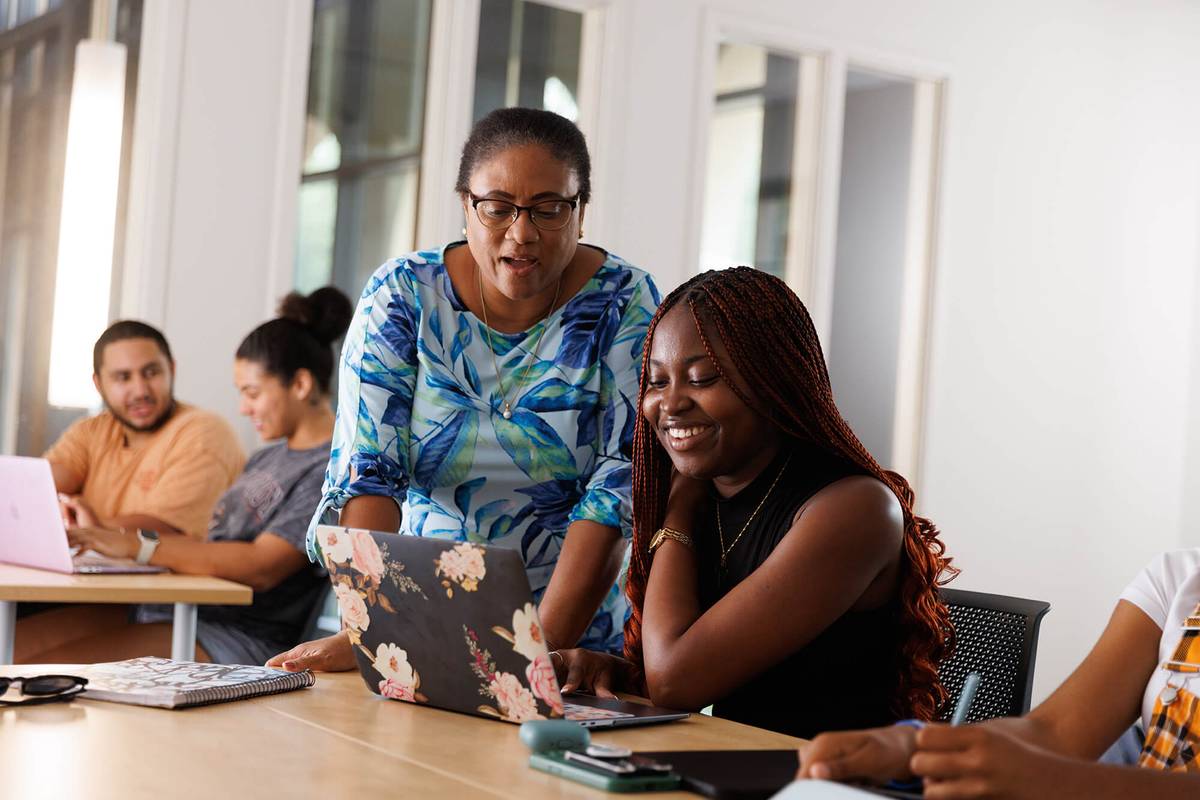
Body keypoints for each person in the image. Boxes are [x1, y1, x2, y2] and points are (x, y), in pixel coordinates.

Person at [267, 107, 660, 673]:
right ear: (465, 206)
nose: (521, 234)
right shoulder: (402, 297)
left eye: (549, 209)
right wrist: (371, 632)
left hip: (576, 636)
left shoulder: (627, 302)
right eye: (497, 208)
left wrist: (534, 654)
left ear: (581, 210)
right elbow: (369, 471)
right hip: (418, 618)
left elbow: (618, 485)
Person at [551, 267, 955, 739]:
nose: (671, 403)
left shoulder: (853, 509)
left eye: (701, 379)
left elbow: (676, 682)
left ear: (773, 381)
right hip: (728, 764)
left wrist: (677, 514)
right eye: (657, 382)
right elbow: (714, 674)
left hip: (825, 784)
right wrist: (615, 673)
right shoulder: (717, 493)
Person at [16, 289, 353, 665]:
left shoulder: (330, 470)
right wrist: (112, 540)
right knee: (13, 651)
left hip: (233, 633)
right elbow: (208, 544)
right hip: (175, 607)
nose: (242, 408)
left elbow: (261, 566)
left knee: (31, 673)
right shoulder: (267, 457)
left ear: (301, 385)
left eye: (252, 393)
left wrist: (137, 546)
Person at [797, 548, 1200, 798]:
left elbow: (1053, 768)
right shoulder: (1179, 580)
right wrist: (913, 747)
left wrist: (1062, 784)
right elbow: (1053, 733)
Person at [47, 320, 244, 538]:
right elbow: (40, 487)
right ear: (99, 384)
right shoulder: (91, 431)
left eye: (151, 373)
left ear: (172, 370)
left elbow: (164, 530)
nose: (140, 390)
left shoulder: (204, 433)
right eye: (123, 377)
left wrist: (93, 527)